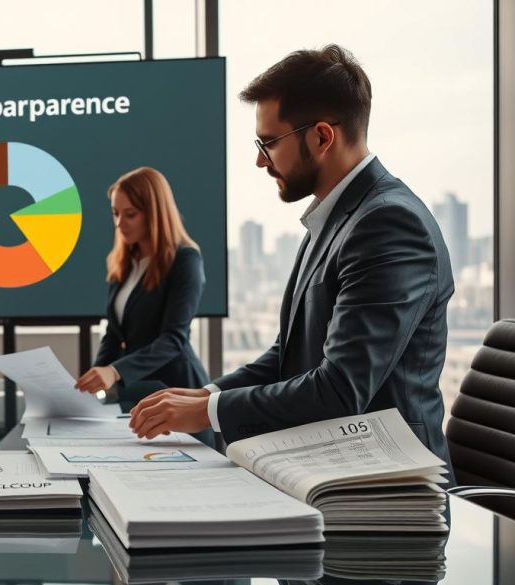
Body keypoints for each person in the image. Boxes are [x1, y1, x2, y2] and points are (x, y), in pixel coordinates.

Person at [129, 45, 455, 472]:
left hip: (389, 488)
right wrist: (206, 395)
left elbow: (340, 389)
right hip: (331, 469)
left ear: (322, 136)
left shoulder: (389, 224)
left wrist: (209, 413)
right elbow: (290, 353)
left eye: (269, 143)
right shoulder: (337, 216)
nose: (260, 160)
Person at [74, 168, 211, 440]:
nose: (119, 222)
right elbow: (114, 334)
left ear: (154, 213)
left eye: (130, 214)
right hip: (135, 394)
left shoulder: (185, 259)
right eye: (115, 213)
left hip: (176, 390)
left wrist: (114, 372)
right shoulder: (124, 263)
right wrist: (95, 380)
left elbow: (173, 339)